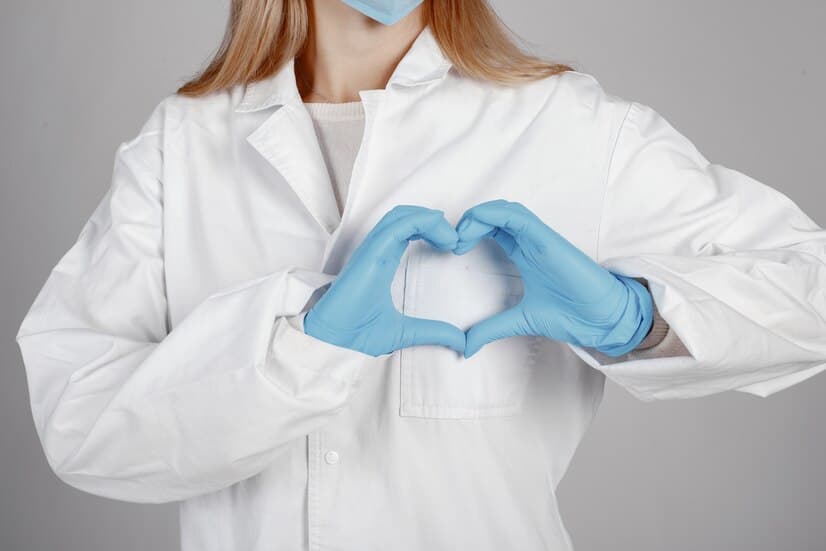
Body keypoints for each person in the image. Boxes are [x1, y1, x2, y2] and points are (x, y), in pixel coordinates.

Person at [15, 1, 826, 550]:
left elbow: (810, 287)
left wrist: (633, 317)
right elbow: (79, 419)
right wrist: (299, 349)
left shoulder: (563, 127)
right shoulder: (183, 145)